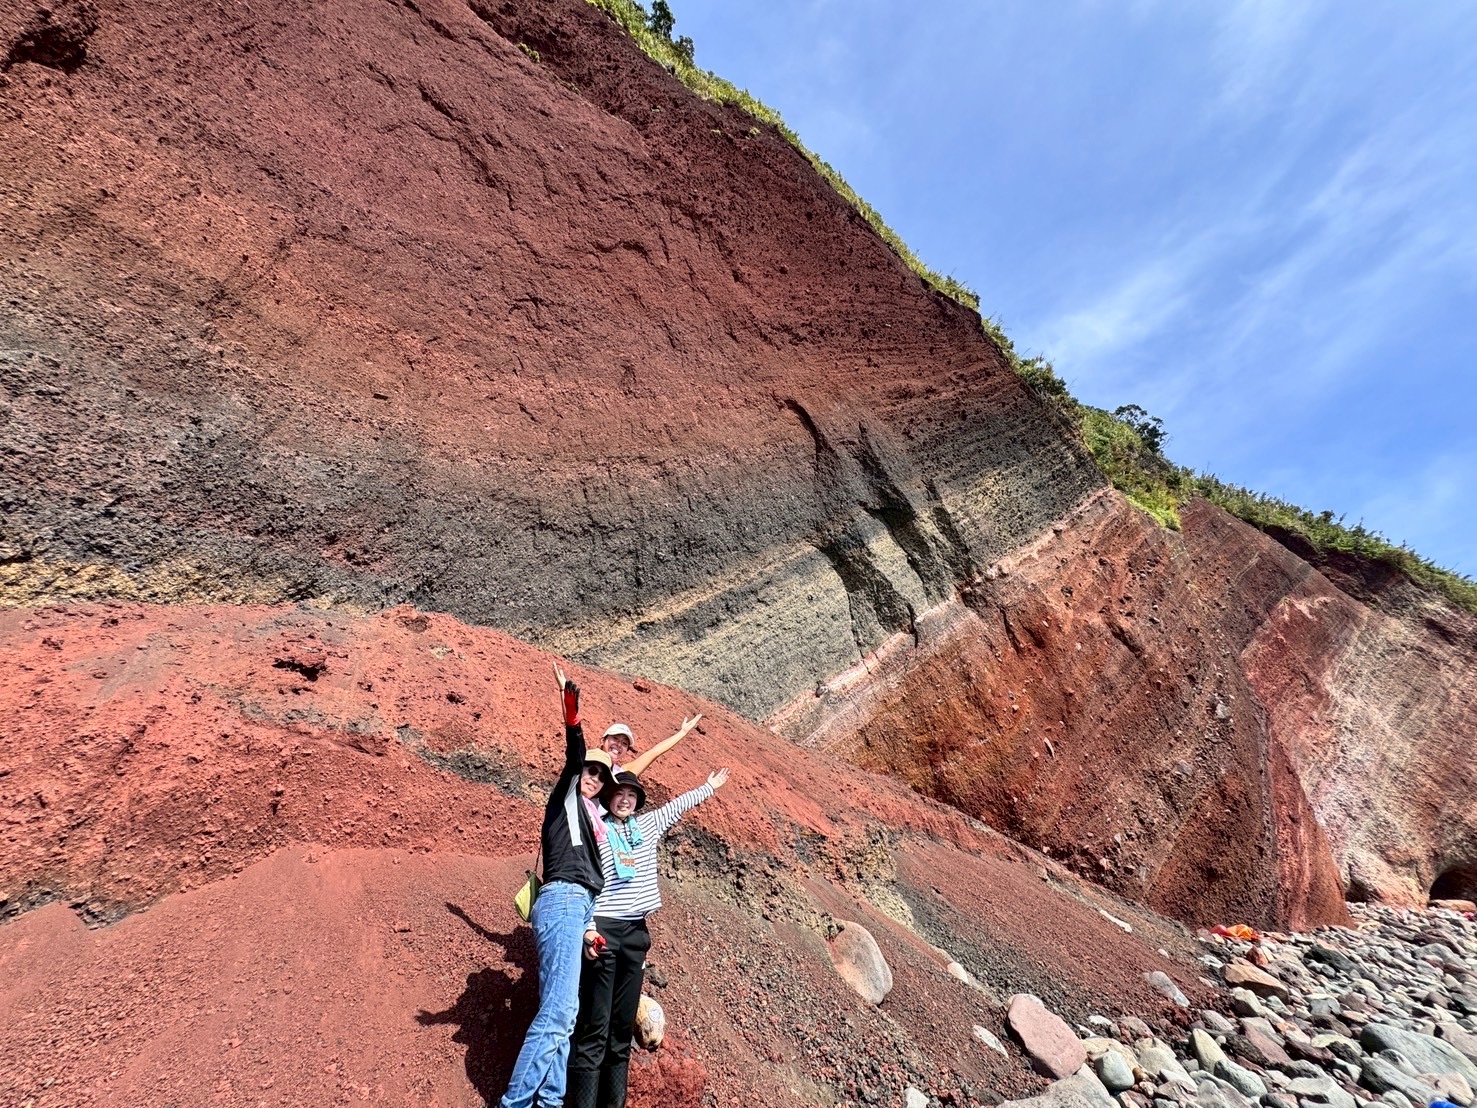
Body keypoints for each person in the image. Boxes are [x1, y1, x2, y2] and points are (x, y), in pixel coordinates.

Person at [566, 764, 729, 1108]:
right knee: (595, 1025)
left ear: (637, 801)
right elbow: (584, 880)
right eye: (618, 794)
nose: (624, 800)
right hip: (605, 930)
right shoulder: (597, 829)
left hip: (637, 934)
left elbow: (678, 805)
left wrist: (709, 786)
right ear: (609, 799)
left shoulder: (647, 826)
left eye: (631, 795)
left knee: (622, 1028)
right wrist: (588, 928)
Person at [498, 664, 616, 1108]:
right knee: (559, 1014)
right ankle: (515, 1104)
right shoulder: (565, 797)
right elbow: (575, 753)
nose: (593, 778)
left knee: (563, 1018)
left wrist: (589, 930)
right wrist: (571, 711)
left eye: (600, 777)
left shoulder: (592, 818)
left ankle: (549, 1103)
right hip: (562, 897)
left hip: (578, 906)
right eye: (590, 772)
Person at [598, 713, 701, 777]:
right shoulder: (584, 759)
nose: (619, 744)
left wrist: (682, 733)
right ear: (603, 740)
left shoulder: (621, 774)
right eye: (615, 738)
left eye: (624, 743)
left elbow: (654, 752)